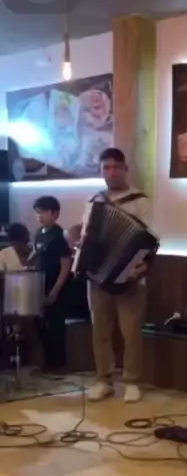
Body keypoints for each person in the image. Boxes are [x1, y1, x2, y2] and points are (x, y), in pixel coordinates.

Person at [79, 147, 155, 404]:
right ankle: (104, 380)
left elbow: (149, 240)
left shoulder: (141, 201)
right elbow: (86, 236)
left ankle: (132, 381)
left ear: (125, 169)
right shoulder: (94, 201)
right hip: (97, 275)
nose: (111, 172)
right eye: (106, 168)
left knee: (131, 332)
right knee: (100, 330)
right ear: (101, 171)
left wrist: (143, 265)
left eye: (116, 167)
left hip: (130, 277)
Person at [33, 196, 73, 372]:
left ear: (55, 214)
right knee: (40, 324)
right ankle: (47, 362)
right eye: (37, 212)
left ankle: (59, 364)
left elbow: (66, 264)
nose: (39, 216)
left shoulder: (59, 235)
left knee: (56, 325)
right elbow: (37, 255)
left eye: (44, 212)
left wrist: (55, 291)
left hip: (56, 286)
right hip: (39, 284)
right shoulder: (38, 233)